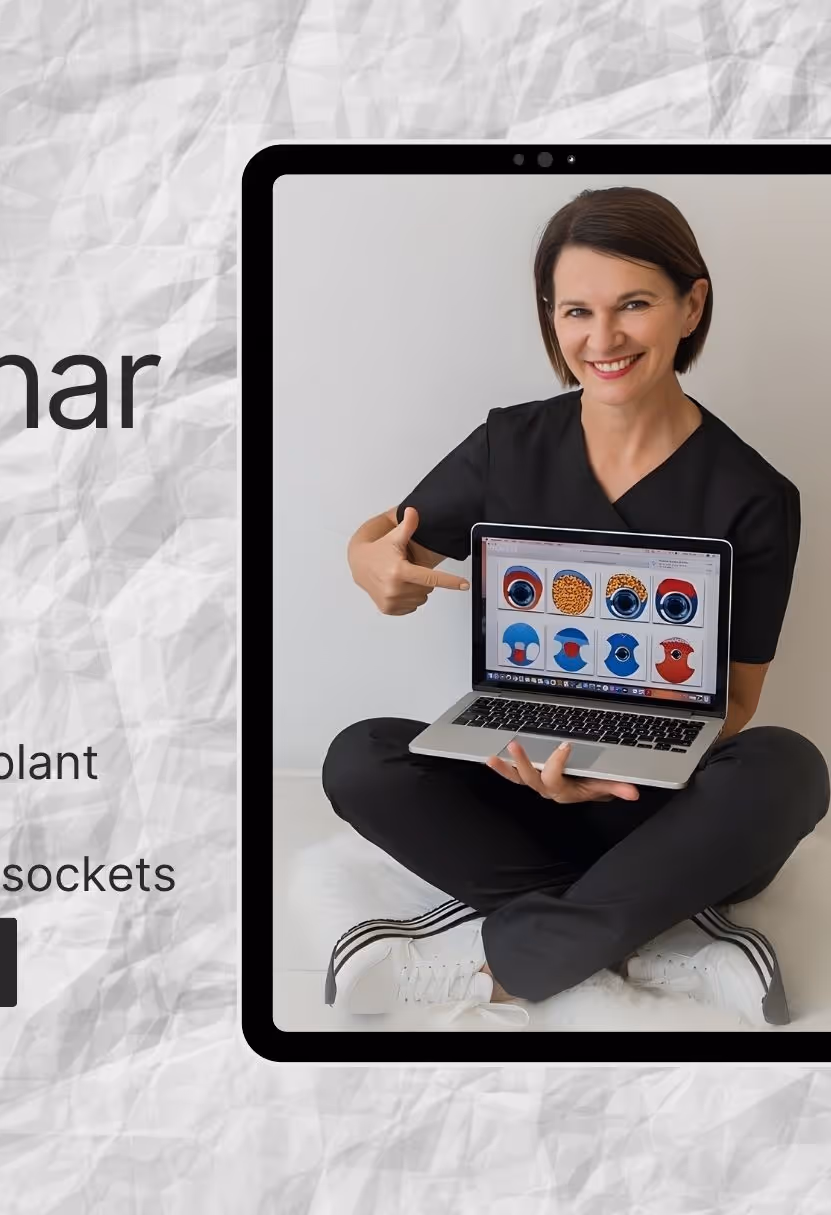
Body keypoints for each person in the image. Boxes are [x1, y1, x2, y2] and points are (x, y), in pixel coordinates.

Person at [322, 186, 830, 1028]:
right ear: (549, 318)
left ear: (690, 303)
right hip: (520, 775)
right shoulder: (507, 443)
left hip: (664, 806)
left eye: (633, 304)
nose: (602, 339)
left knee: (791, 767)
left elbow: (737, 703)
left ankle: (511, 961)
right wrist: (364, 559)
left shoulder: (753, 495)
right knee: (358, 758)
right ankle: (644, 930)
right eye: (575, 311)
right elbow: (392, 543)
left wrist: (615, 765)